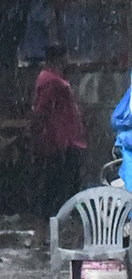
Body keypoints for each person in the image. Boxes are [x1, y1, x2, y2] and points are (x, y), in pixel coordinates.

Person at [30, 44, 86, 237]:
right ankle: (45, 233)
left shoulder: (54, 78)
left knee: (62, 187)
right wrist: (52, 140)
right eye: (66, 56)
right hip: (61, 143)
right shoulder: (51, 81)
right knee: (58, 188)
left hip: (65, 141)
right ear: (59, 58)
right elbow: (41, 113)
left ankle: (52, 232)